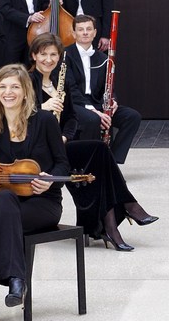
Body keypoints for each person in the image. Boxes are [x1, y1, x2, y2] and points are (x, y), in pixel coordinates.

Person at [0, 66, 69, 321]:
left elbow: (63, 164)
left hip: (43, 204)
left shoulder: (45, 121)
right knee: (3, 201)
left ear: (25, 91)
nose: (8, 92)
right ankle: (16, 281)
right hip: (7, 203)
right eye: (3, 87)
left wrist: (49, 180)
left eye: (15, 87)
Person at [32, 35, 154, 251]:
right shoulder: (26, 81)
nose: (48, 59)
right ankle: (126, 208)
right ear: (34, 55)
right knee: (98, 155)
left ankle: (110, 227)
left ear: (59, 57)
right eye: (43, 54)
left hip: (59, 146)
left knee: (99, 154)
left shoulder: (60, 80)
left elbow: (72, 118)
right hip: (37, 150)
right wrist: (42, 108)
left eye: (53, 55)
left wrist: (64, 137)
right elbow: (16, 116)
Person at [62, 13, 143, 162]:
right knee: (93, 119)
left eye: (88, 29)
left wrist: (113, 101)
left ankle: (111, 160)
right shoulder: (65, 55)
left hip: (98, 103)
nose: (85, 33)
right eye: (80, 29)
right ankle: (90, 162)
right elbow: (70, 89)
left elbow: (109, 87)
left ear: (95, 33)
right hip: (75, 104)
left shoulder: (104, 58)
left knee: (132, 117)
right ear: (73, 33)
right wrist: (94, 111)